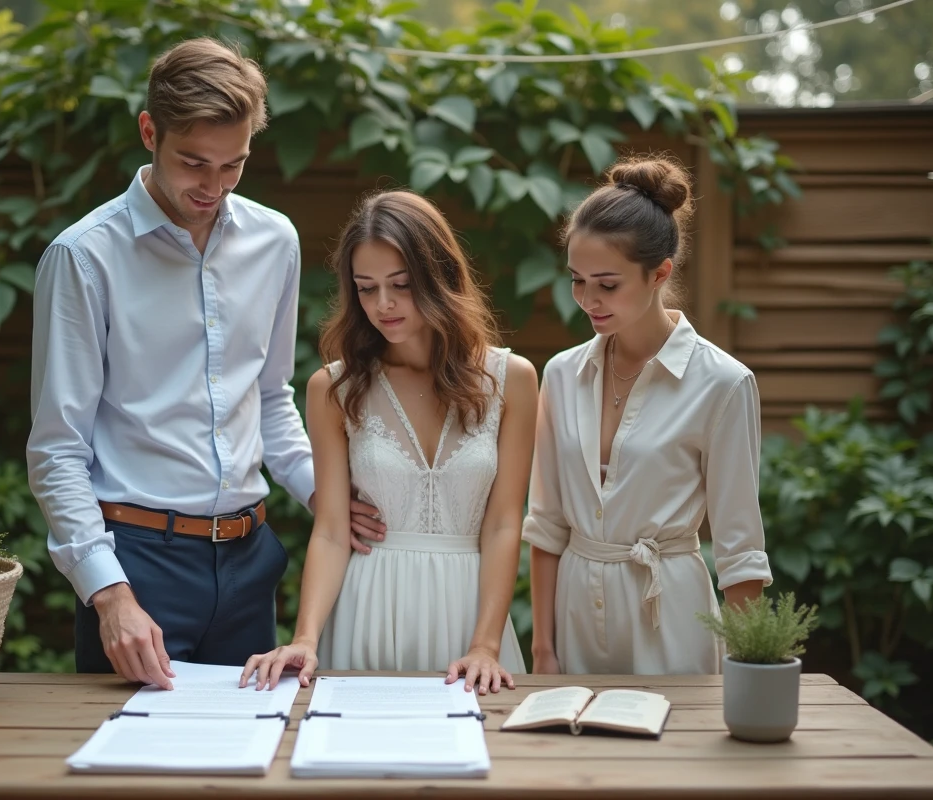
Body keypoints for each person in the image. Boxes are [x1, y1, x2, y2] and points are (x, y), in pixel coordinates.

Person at [26, 37, 380, 690]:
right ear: (148, 132)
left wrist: (326, 496)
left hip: (251, 564)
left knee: (249, 763)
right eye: (194, 163)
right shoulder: (83, 258)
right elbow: (56, 449)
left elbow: (270, 398)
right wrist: (109, 594)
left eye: (233, 165)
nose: (212, 187)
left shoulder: (276, 242)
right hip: (139, 566)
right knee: (131, 772)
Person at [240, 191, 537, 695]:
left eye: (401, 285)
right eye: (366, 288)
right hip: (365, 608)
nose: (383, 305)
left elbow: (505, 522)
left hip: (471, 618)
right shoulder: (335, 388)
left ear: (438, 276)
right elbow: (333, 530)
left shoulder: (513, 380)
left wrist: (486, 644)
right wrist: (306, 637)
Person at [524, 155, 773, 675]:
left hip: (671, 616)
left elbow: (739, 548)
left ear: (660, 273)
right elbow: (546, 526)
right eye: (576, 280)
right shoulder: (561, 375)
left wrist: (746, 671)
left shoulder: (723, 383)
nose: (587, 300)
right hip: (574, 616)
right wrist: (543, 650)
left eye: (607, 284)